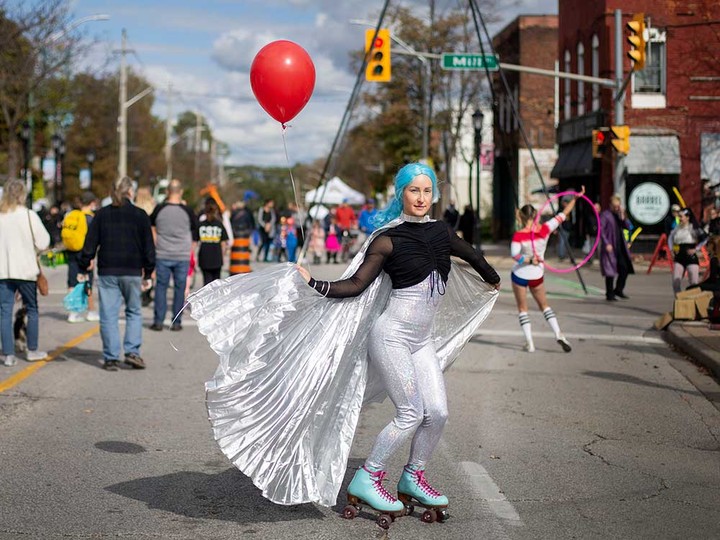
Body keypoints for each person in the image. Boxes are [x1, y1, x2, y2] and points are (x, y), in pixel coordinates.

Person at [296, 163, 501, 518]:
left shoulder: (441, 231)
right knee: (410, 413)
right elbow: (356, 285)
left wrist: (493, 278)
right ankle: (368, 476)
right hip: (390, 337)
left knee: (437, 413)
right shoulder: (387, 238)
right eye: (413, 191)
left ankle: (412, 477)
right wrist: (314, 283)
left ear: (433, 195)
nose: (421, 198)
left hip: (422, 341)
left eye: (426, 191)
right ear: (401, 193)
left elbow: (471, 255)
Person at [77, 177, 155, 371]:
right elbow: (148, 247)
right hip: (132, 270)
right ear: (131, 192)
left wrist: (83, 264)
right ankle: (132, 352)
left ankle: (111, 357)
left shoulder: (102, 215)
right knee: (134, 311)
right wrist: (149, 272)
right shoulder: (140, 215)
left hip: (108, 270)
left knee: (109, 314)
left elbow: (90, 243)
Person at [510, 189, 584, 353]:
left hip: (520, 275)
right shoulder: (545, 229)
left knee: (523, 308)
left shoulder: (518, 235)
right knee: (544, 306)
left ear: (521, 217)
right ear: (535, 215)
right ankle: (558, 334)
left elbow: (515, 255)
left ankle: (530, 343)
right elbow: (563, 214)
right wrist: (576, 198)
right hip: (537, 275)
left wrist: (528, 259)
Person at [0, 179, 50, 366]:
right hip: (26, 270)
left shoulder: (1, 216)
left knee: (4, 311)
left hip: (3, 270)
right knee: (32, 309)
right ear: (22, 195)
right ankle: (32, 349)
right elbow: (44, 242)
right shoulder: (29, 215)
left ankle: (8, 354)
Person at [149, 179, 198, 332]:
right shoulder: (188, 211)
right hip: (182, 255)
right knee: (179, 288)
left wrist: (156, 242)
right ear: (181, 192)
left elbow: (151, 226)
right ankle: (176, 322)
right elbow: (196, 232)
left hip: (162, 253)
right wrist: (191, 249)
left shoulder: (159, 208)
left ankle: (158, 321)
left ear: (168, 191)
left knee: (161, 288)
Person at [62, 192, 99, 323]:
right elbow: (93, 240)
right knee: (87, 282)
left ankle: (73, 312)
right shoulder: (90, 218)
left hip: (72, 251)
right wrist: (92, 258)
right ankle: (91, 311)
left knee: (72, 281)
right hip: (85, 254)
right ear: (92, 203)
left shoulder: (71, 215)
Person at [600, 195, 635, 301]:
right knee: (610, 271)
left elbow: (628, 227)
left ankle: (618, 289)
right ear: (610, 205)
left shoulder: (620, 215)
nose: (616, 208)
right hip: (610, 245)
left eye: (618, 206)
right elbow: (601, 231)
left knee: (624, 268)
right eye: (614, 206)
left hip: (620, 245)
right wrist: (606, 243)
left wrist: (622, 215)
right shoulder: (605, 215)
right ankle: (609, 294)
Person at [668, 207, 706, 294]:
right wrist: (671, 249)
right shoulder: (677, 228)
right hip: (679, 256)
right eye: (679, 216)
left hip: (690, 257)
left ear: (688, 217)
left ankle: (694, 303)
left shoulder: (693, 228)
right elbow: (670, 238)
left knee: (694, 283)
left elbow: (705, 238)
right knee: (675, 282)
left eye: (681, 216)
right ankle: (679, 301)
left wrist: (696, 249)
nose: (680, 218)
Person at [198, 198, 229, 286]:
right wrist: (222, 256)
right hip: (217, 258)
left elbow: (195, 242)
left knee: (207, 283)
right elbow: (224, 243)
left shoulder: (201, 224)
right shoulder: (219, 224)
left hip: (204, 258)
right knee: (216, 284)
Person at [229, 201, 255, 275]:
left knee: (236, 251)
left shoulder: (234, 213)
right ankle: (245, 266)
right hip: (245, 236)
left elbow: (231, 223)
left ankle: (235, 267)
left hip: (235, 236)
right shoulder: (247, 213)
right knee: (245, 251)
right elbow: (251, 224)